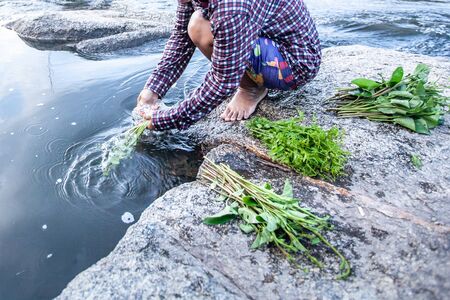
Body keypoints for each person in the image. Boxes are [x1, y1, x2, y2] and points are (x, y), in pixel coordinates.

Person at [136, 0, 321, 131]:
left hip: (294, 65)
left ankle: (251, 89)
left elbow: (223, 81)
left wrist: (169, 118)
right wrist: (153, 90)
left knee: (200, 28)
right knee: (196, 23)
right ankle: (252, 82)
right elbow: (181, 39)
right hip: (265, 41)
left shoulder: (233, 8)